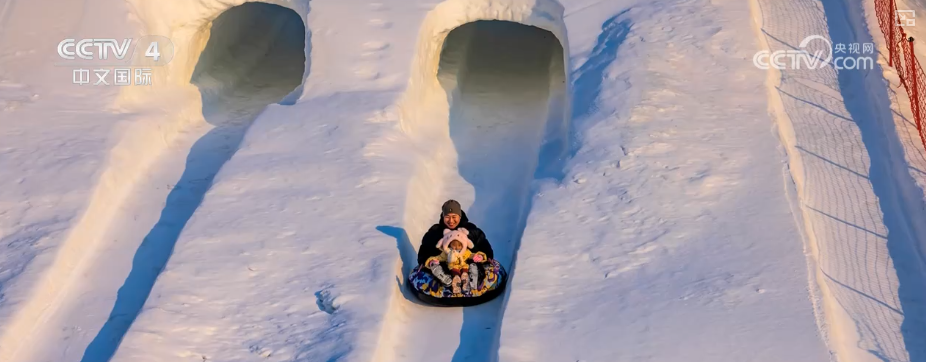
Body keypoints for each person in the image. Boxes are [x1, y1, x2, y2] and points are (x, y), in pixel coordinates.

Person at [417, 200, 495, 289]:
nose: (451, 221)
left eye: (454, 217)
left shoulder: (470, 229)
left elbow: (482, 242)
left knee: (475, 263)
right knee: (436, 265)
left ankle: (472, 278)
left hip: (466, 261)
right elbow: (425, 247)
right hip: (447, 263)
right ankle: (446, 278)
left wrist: (487, 256)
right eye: (447, 217)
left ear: (460, 216)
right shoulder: (436, 231)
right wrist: (423, 260)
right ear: (443, 216)